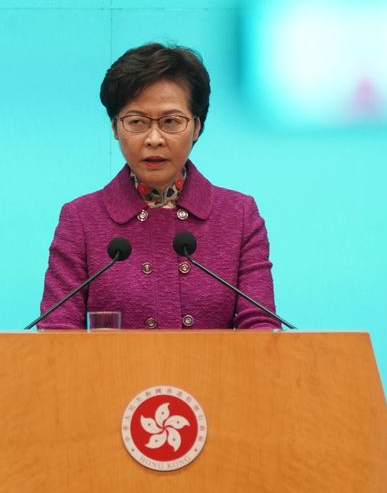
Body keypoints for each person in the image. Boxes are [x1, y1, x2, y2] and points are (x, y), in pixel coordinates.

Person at [38, 42, 280, 330]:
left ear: (197, 126)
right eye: (137, 122)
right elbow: (58, 330)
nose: (154, 138)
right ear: (115, 128)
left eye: (170, 121)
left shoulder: (238, 215)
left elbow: (260, 324)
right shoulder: (80, 219)